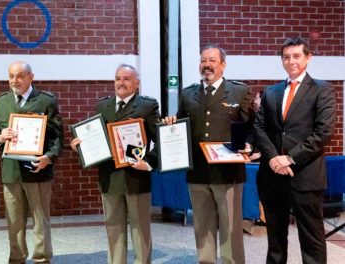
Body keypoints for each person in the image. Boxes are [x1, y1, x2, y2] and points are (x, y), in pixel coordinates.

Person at [164, 44, 251, 263]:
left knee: (231, 230)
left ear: (223, 64)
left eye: (212, 60)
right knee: (202, 228)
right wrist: (170, 123)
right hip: (198, 173)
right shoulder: (188, 94)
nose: (207, 65)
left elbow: (253, 125)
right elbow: (181, 127)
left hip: (228, 173)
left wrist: (249, 145)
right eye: (203, 60)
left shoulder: (239, 91)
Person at [254, 37, 335, 264]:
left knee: (312, 240)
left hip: (305, 176)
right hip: (272, 177)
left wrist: (289, 159)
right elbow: (259, 129)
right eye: (287, 57)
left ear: (308, 58)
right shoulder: (271, 92)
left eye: (297, 56)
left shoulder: (322, 90)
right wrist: (273, 160)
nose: (291, 61)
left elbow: (323, 133)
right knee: (275, 240)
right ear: (282, 60)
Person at [71, 64, 161, 264]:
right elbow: (97, 139)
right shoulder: (103, 106)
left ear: (136, 83)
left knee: (140, 228)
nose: (121, 83)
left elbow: (160, 139)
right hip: (109, 177)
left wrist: (148, 163)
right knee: (113, 227)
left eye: (127, 79)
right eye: (117, 78)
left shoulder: (147, 106)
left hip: (136, 177)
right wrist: (80, 145)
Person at [0, 61, 63, 264]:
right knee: (14, 221)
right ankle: (17, 258)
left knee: (40, 220)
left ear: (31, 77)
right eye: (11, 76)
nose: (14, 80)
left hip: (38, 169)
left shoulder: (46, 101)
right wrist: (0, 137)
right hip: (11, 172)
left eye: (19, 76)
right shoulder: (1, 102)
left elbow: (57, 137)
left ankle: (42, 258)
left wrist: (49, 157)